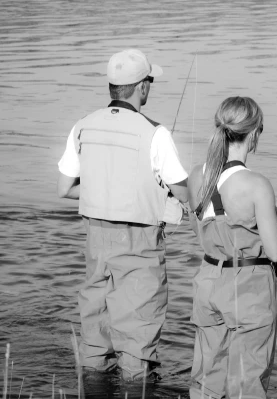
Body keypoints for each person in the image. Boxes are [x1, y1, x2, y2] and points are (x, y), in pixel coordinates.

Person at [56, 48, 190, 382]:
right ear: (142, 86)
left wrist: (108, 195)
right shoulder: (155, 133)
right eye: (150, 81)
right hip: (139, 241)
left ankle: (94, 385)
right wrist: (166, 199)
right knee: (138, 336)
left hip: (96, 239)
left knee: (95, 331)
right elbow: (188, 194)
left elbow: (65, 188)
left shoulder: (82, 126)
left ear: (114, 87)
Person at [186, 96, 277, 399]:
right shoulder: (256, 183)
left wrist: (273, 214)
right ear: (255, 132)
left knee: (207, 377)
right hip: (248, 289)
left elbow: (214, 225)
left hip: (208, 281)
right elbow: (274, 252)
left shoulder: (197, 175)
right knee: (247, 383)